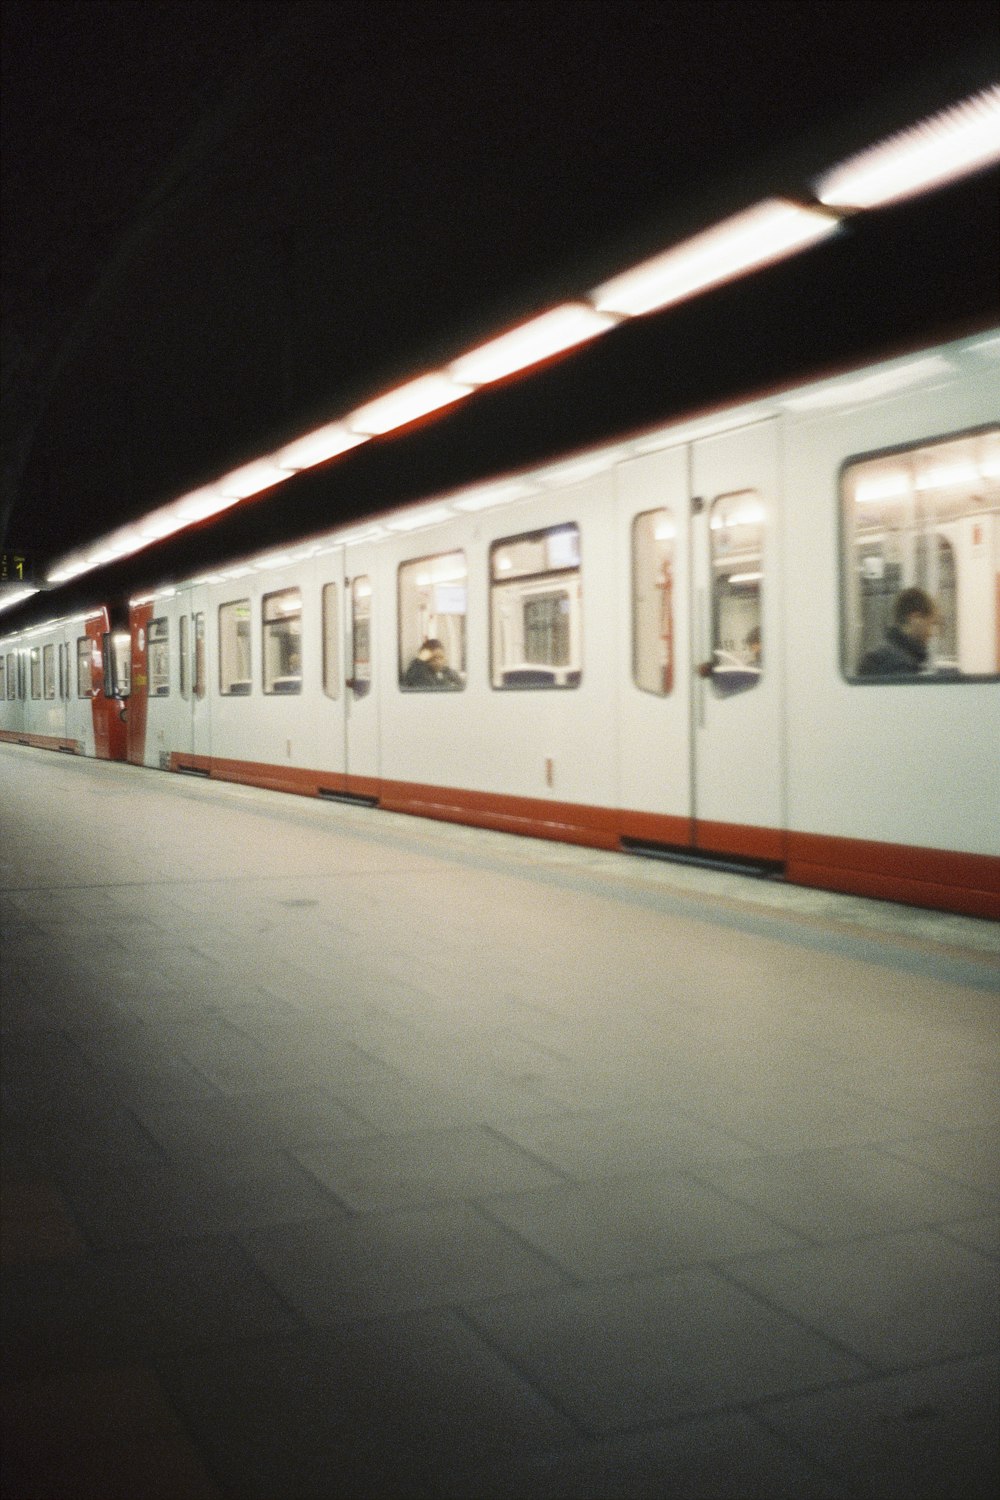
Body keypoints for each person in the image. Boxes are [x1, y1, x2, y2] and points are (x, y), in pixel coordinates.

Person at [858, 587, 938, 676]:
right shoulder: (902, 666)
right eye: (930, 624)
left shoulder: (876, 657)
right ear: (915, 618)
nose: (931, 633)